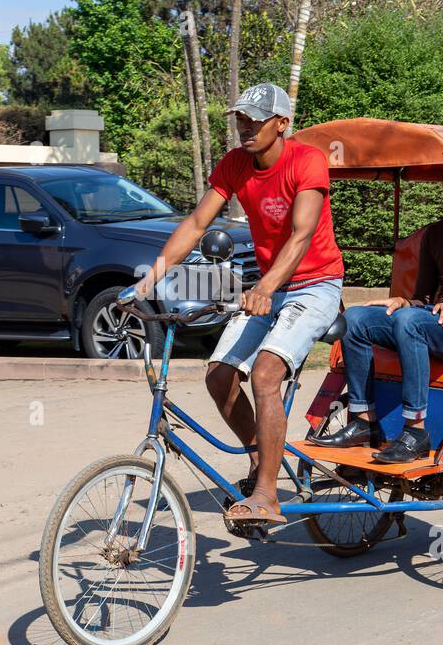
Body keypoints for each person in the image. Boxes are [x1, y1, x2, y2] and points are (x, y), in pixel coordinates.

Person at [134, 82, 343, 524]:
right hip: (270, 286)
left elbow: (302, 234)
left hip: (316, 284)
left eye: (255, 120)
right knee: (219, 375)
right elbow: (195, 223)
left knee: (266, 374)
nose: (245, 127)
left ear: (282, 124)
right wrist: (150, 277)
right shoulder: (234, 165)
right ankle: (258, 458)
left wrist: (266, 287)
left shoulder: (307, 161)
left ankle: (267, 495)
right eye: (240, 119)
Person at [311, 170, 443, 464]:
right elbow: (423, 300)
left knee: (409, 321)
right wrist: (403, 301)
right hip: (436, 322)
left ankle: (415, 431)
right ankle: (364, 421)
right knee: (357, 319)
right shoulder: (436, 233)